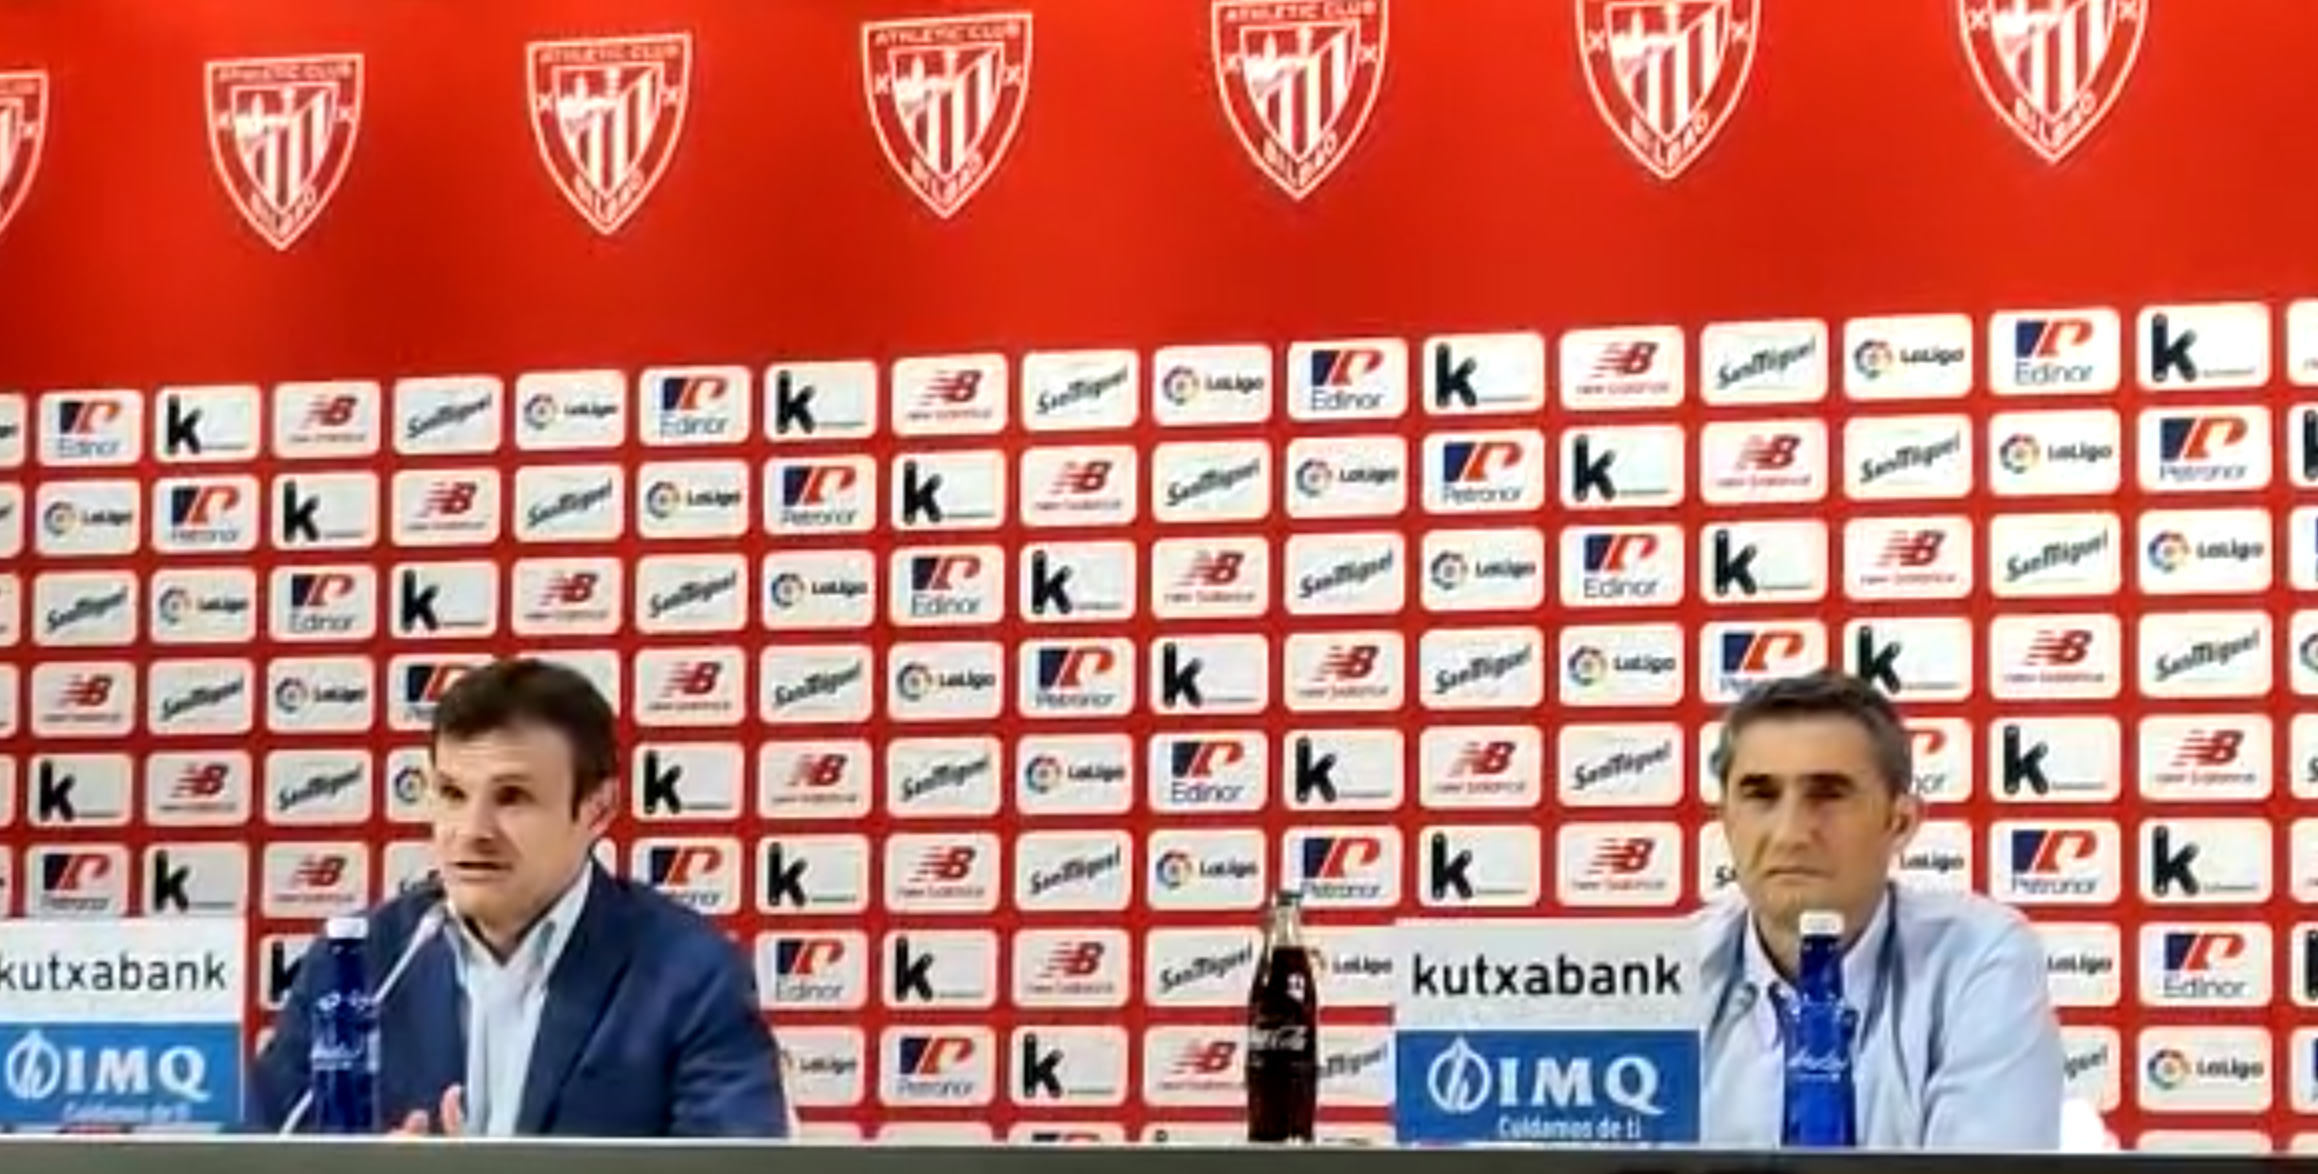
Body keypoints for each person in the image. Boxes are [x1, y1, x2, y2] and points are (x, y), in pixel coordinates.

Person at [246, 657, 792, 1137]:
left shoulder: (690, 973)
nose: (471, 831)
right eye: (452, 794)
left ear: (598, 810)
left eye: (512, 797)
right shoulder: (360, 962)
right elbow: (259, 1151)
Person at [1694, 670, 2064, 1149]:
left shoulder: (1976, 956)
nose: (1789, 834)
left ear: (1900, 822)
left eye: (1828, 795)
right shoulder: (1662, 970)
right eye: (1760, 796)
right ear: (1726, 820)